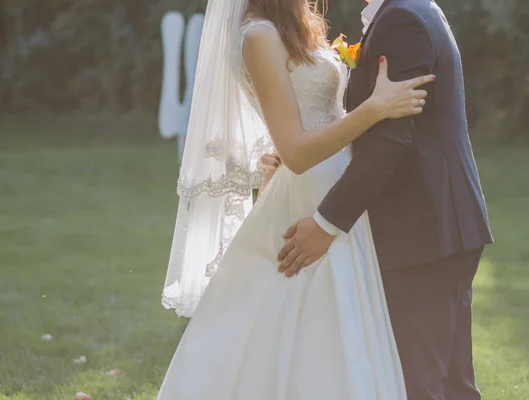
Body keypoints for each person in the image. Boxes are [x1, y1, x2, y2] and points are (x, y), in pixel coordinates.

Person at [157, 0, 435, 397]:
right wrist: (374, 110)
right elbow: (297, 153)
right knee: (314, 320)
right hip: (310, 191)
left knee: (340, 321)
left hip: (338, 183)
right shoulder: (258, 35)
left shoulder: (292, 24)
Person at [276, 0, 494, 399]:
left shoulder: (403, 19)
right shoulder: (412, 8)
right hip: (442, 227)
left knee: (419, 383)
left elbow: (390, 140)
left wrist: (326, 224)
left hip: (423, 233)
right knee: (450, 384)